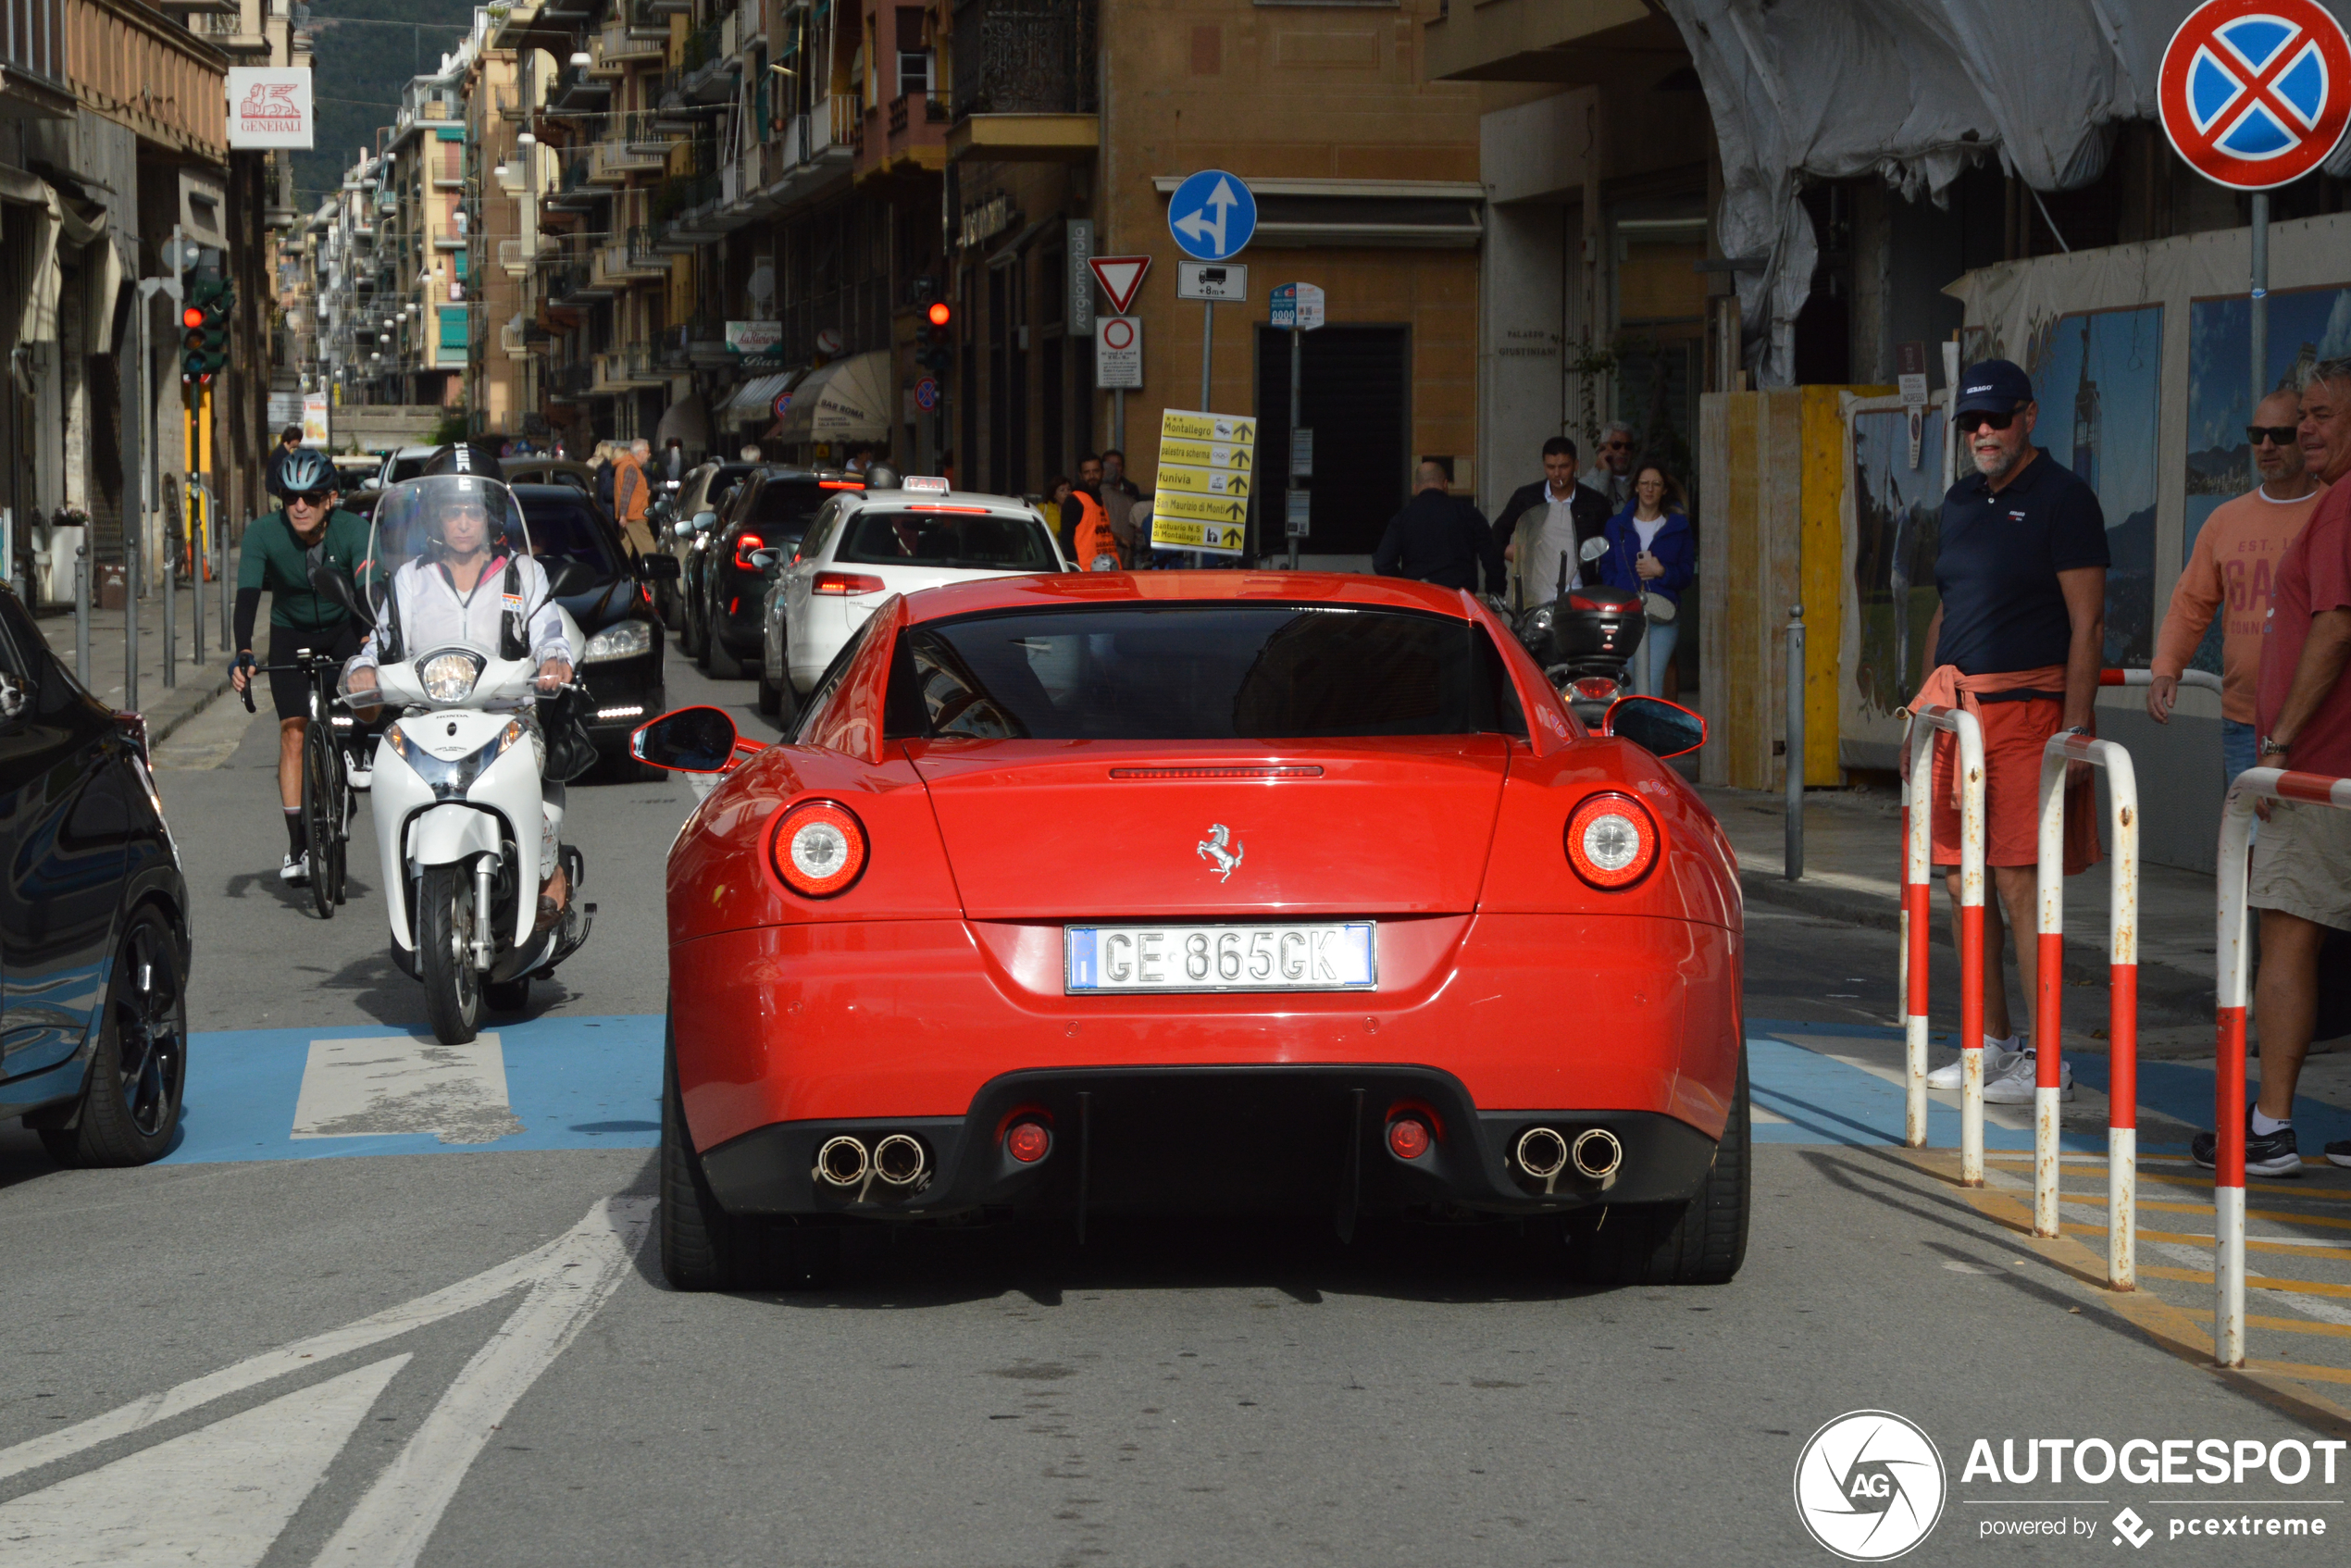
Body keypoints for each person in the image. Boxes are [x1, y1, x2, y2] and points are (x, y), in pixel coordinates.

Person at [1912, 358, 2108, 1104]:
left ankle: (2047, 1057)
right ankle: (1990, 1045)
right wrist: (1925, 715)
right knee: (1963, 884)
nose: (1983, 432)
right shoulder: (1961, 501)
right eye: (1971, 422)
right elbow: (1945, 609)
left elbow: (2088, 622)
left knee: (2023, 885)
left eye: (1996, 418)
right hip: (1957, 717)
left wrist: (2079, 729)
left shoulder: (2065, 498)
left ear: (2029, 416)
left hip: (2032, 712)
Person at [2190, 359, 2351, 1176]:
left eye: (2320, 415)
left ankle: (2272, 1126)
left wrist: (2281, 745)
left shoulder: (2338, 509)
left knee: (2285, 934)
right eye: (2300, 419)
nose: (2306, 431)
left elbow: (2334, 627)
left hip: (2320, 769)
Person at [344, 474, 578, 928]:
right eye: (454, 512)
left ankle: (548, 871)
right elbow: (383, 641)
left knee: (535, 767)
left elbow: (549, 632)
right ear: (438, 518)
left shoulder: (524, 572)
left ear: (489, 518)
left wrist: (555, 661)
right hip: (424, 716)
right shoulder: (412, 578)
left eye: (473, 513)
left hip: (505, 714)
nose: (464, 524)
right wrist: (361, 667)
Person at [2148, 388, 2326, 784]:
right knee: (2244, 842)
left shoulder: (2334, 512)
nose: (2265, 446)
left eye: (2280, 434)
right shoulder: (2225, 520)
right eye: (2255, 434)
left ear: (2305, 434)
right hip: (2244, 721)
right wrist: (2166, 668)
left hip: (2321, 720)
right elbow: (2191, 605)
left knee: (2317, 843)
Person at [230, 448, 374, 886]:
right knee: (293, 731)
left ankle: (356, 748)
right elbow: (248, 597)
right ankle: (298, 846)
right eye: (290, 497)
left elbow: (369, 590)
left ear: (330, 499)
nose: (299, 506)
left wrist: (370, 640)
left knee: (370, 687)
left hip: (344, 626)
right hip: (290, 633)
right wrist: (243, 653)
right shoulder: (263, 534)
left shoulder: (354, 530)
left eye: (311, 497)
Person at [1598, 461, 1697, 696]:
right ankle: (1628, 732)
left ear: (1664, 490)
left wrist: (1661, 571)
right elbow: (1606, 567)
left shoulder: (1678, 526)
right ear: (1636, 487)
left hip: (1663, 615)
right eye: (1644, 483)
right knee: (1627, 681)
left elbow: (1685, 574)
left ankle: (1647, 732)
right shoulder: (1617, 526)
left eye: (1656, 484)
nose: (1649, 489)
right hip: (1627, 614)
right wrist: (1618, 590)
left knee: (1652, 681)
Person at [1492, 437, 1610, 610]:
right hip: (1535, 596)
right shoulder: (1526, 497)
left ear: (1576, 465)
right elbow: (1497, 533)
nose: (1557, 473)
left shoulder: (1595, 502)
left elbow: (1609, 547)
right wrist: (1510, 552)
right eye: (1550, 467)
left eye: (1563, 466)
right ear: (1544, 465)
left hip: (1581, 594)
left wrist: (1599, 589)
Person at [1374, 462, 1502, 592]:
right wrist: (1496, 594)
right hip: (1459, 598)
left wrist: (1405, 585)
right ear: (1445, 484)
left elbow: (1382, 563)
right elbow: (1492, 558)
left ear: (1415, 487)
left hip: (1418, 599)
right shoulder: (1468, 513)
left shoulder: (1402, 518)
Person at [1068, 454, 1120, 570]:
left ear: (1103, 472)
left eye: (1095, 471)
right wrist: (1075, 568)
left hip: (1109, 568)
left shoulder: (1097, 498)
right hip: (1087, 571)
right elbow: (1067, 538)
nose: (1092, 476)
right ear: (1080, 475)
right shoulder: (1075, 500)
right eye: (1087, 472)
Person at [613, 439, 653, 554]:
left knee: (624, 552)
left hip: (629, 515)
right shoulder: (631, 468)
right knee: (649, 550)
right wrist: (623, 515)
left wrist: (643, 493)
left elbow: (631, 490)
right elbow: (626, 493)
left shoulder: (626, 465)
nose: (649, 455)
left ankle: (619, 571)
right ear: (640, 452)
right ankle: (657, 571)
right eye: (647, 452)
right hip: (634, 515)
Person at [1593, 422, 1636, 509]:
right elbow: (1593, 510)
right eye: (1616, 445)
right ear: (1602, 448)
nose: (1623, 451)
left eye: (1628, 446)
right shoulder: (1588, 481)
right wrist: (1605, 473)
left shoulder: (1640, 479)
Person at [1042, 476, 1074, 554]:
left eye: (1069, 489)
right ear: (1054, 494)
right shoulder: (1043, 508)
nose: (1067, 493)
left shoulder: (1075, 511)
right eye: (1062, 490)